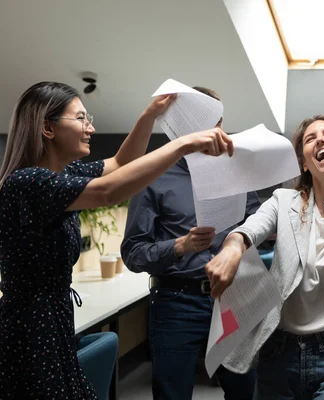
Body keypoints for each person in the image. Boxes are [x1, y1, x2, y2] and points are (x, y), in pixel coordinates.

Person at [0, 81, 232, 399]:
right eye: (81, 118)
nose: (91, 128)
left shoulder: (64, 175)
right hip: (30, 329)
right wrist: (183, 144)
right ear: (47, 128)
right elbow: (109, 191)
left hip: (53, 321)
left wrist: (150, 115)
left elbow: (121, 164)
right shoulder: (27, 182)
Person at [205, 115, 324, 399]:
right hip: (279, 351)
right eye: (310, 138)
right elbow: (249, 230)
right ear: (304, 162)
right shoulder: (283, 201)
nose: (320, 140)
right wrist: (232, 248)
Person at [121, 86, 259, 400]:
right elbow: (132, 252)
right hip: (176, 302)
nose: (217, 131)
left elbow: (258, 227)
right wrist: (179, 246)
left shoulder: (238, 172)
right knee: (172, 394)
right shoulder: (152, 176)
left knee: (244, 393)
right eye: (209, 121)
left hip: (233, 298)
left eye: (220, 121)